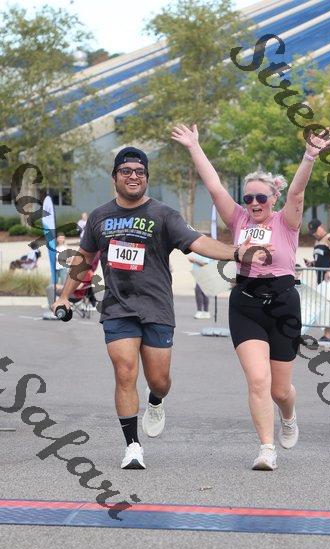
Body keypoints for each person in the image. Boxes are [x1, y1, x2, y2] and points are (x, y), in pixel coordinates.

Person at [51, 146, 269, 470]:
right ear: (115, 177)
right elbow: (83, 259)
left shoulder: (163, 215)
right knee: (125, 371)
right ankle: (132, 446)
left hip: (157, 308)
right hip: (117, 307)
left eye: (140, 172)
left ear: (147, 178)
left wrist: (236, 252)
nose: (133, 176)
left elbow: (197, 242)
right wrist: (64, 296)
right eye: (126, 171)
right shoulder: (99, 217)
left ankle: (156, 399)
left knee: (159, 380)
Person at [172, 122, 330, 471]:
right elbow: (214, 186)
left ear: (273, 199)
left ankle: (288, 415)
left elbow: (297, 192)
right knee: (258, 380)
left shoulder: (285, 221)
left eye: (261, 197)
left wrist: (310, 155)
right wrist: (194, 146)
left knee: (280, 390)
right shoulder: (238, 219)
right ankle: (266, 448)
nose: (254, 203)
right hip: (246, 302)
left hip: (282, 304)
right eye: (248, 198)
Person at [188, 252, 211, 318]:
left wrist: (194, 260)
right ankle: (206, 312)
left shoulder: (205, 252)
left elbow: (205, 264)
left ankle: (199, 311)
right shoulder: (198, 252)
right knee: (203, 293)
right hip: (199, 274)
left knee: (198, 291)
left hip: (204, 274)